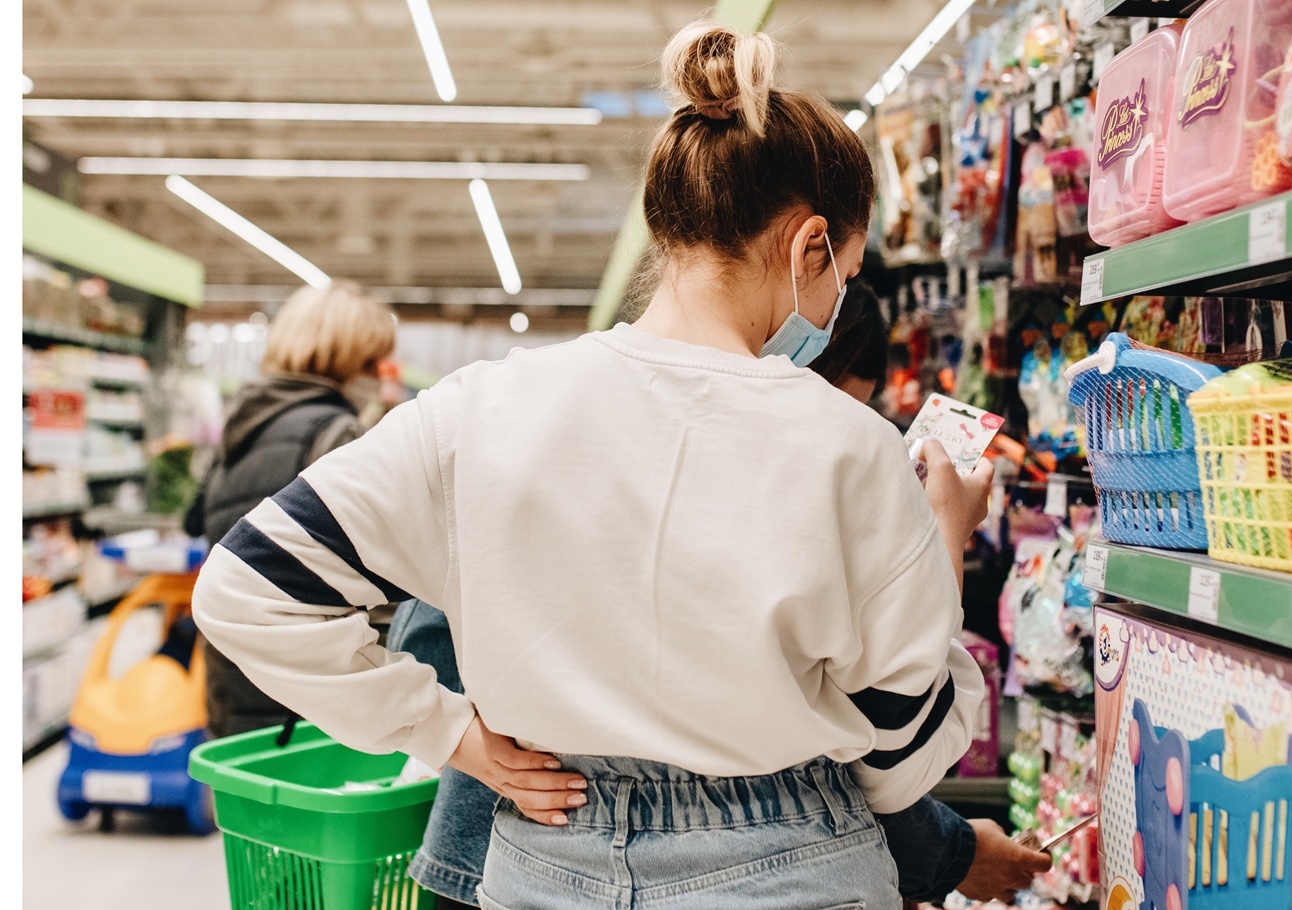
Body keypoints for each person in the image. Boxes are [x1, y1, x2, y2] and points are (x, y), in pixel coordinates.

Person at [194, 21, 993, 910]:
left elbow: (247, 590)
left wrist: (449, 734)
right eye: (844, 269)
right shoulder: (849, 444)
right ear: (809, 247)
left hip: (544, 854)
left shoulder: (479, 409)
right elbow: (897, 758)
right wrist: (945, 540)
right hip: (787, 865)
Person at [384, 278, 1049, 910]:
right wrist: (941, 537)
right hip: (582, 848)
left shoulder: (567, 429)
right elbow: (849, 755)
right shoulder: (738, 501)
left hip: (512, 856)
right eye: (836, 406)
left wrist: (464, 735)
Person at [183, 280, 394, 739]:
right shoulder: (338, 435)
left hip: (232, 681)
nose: (378, 378)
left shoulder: (241, 425)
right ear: (340, 358)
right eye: (370, 363)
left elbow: (195, 521)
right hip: (307, 701)